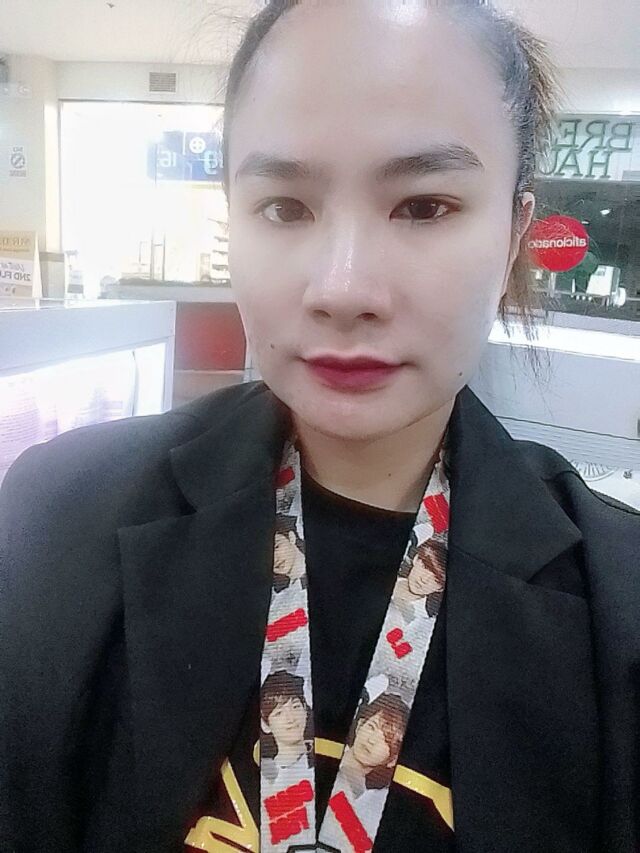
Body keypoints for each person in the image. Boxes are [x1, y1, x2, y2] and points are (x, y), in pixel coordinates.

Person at [1, 1, 639, 852]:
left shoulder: (620, 605)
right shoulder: (56, 520)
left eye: (423, 206)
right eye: (285, 207)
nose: (343, 288)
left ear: (514, 234)